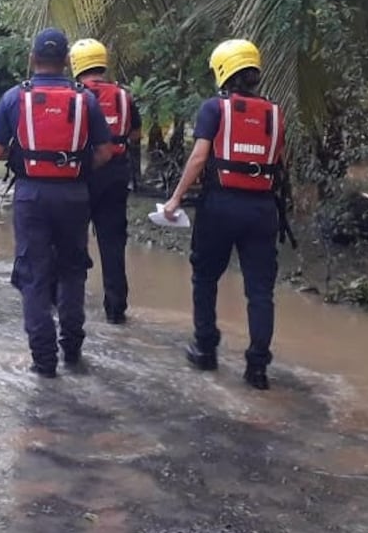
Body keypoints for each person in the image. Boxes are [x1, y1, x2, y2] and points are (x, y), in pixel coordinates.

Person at [0, 28, 113, 378]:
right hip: (74, 195)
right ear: (66, 62)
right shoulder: (85, 99)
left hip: (31, 196)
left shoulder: (15, 97)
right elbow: (106, 151)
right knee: (73, 271)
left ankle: (43, 361)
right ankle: (71, 349)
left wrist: (28, 157)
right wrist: (74, 167)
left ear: (32, 59)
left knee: (34, 275)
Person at [163, 39, 287, 390]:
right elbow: (280, 160)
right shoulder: (275, 112)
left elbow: (199, 158)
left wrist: (175, 199)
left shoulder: (214, 108)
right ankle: (257, 368)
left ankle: (205, 349)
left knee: (205, 278)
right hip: (263, 209)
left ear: (222, 71)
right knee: (260, 291)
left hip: (220, 206)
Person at [70, 38, 142, 324]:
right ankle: (116, 309)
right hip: (116, 175)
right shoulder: (124, 95)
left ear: (76, 64)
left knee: (73, 239)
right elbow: (136, 133)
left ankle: (69, 302)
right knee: (113, 243)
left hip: (81, 173)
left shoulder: (75, 95)